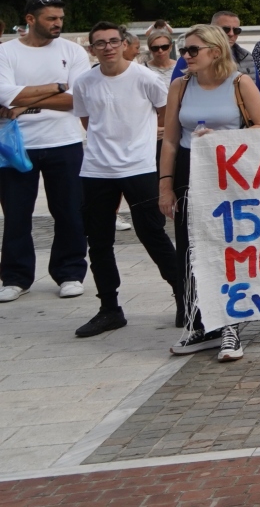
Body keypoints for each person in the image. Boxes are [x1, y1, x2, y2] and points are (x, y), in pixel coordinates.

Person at [160, 23, 260, 360]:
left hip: (229, 174)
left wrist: (223, 139)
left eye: (193, 50)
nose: (186, 56)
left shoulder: (240, 83)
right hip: (188, 170)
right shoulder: (180, 86)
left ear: (215, 50)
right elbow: (168, 139)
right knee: (190, 249)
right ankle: (200, 323)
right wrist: (165, 185)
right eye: (184, 50)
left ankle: (230, 327)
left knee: (228, 248)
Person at [69, 22, 184, 337]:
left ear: (124, 44)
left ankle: (184, 297)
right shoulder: (84, 82)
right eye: (100, 43)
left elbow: (165, 114)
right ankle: (109, 309)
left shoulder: (145, 78)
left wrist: (144, 137)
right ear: (92, 49)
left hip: (139, 166)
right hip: (96, 170)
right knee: (99, 241)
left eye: (113, 41)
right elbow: (86, 120)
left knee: (152, 233)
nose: (107, 47)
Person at [0, 0, 92, 303]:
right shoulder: (6, 52)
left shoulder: (72, 50)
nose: (58, 24)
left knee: (69, 211)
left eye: (60, 18)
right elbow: (4, 95)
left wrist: (22, 100)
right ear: (30, 19)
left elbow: (78, 98)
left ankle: (70, 273)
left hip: (64, 142)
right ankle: (15, 277)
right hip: (16, 145)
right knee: (15, 214)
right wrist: (56, 87)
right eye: (51, 18)